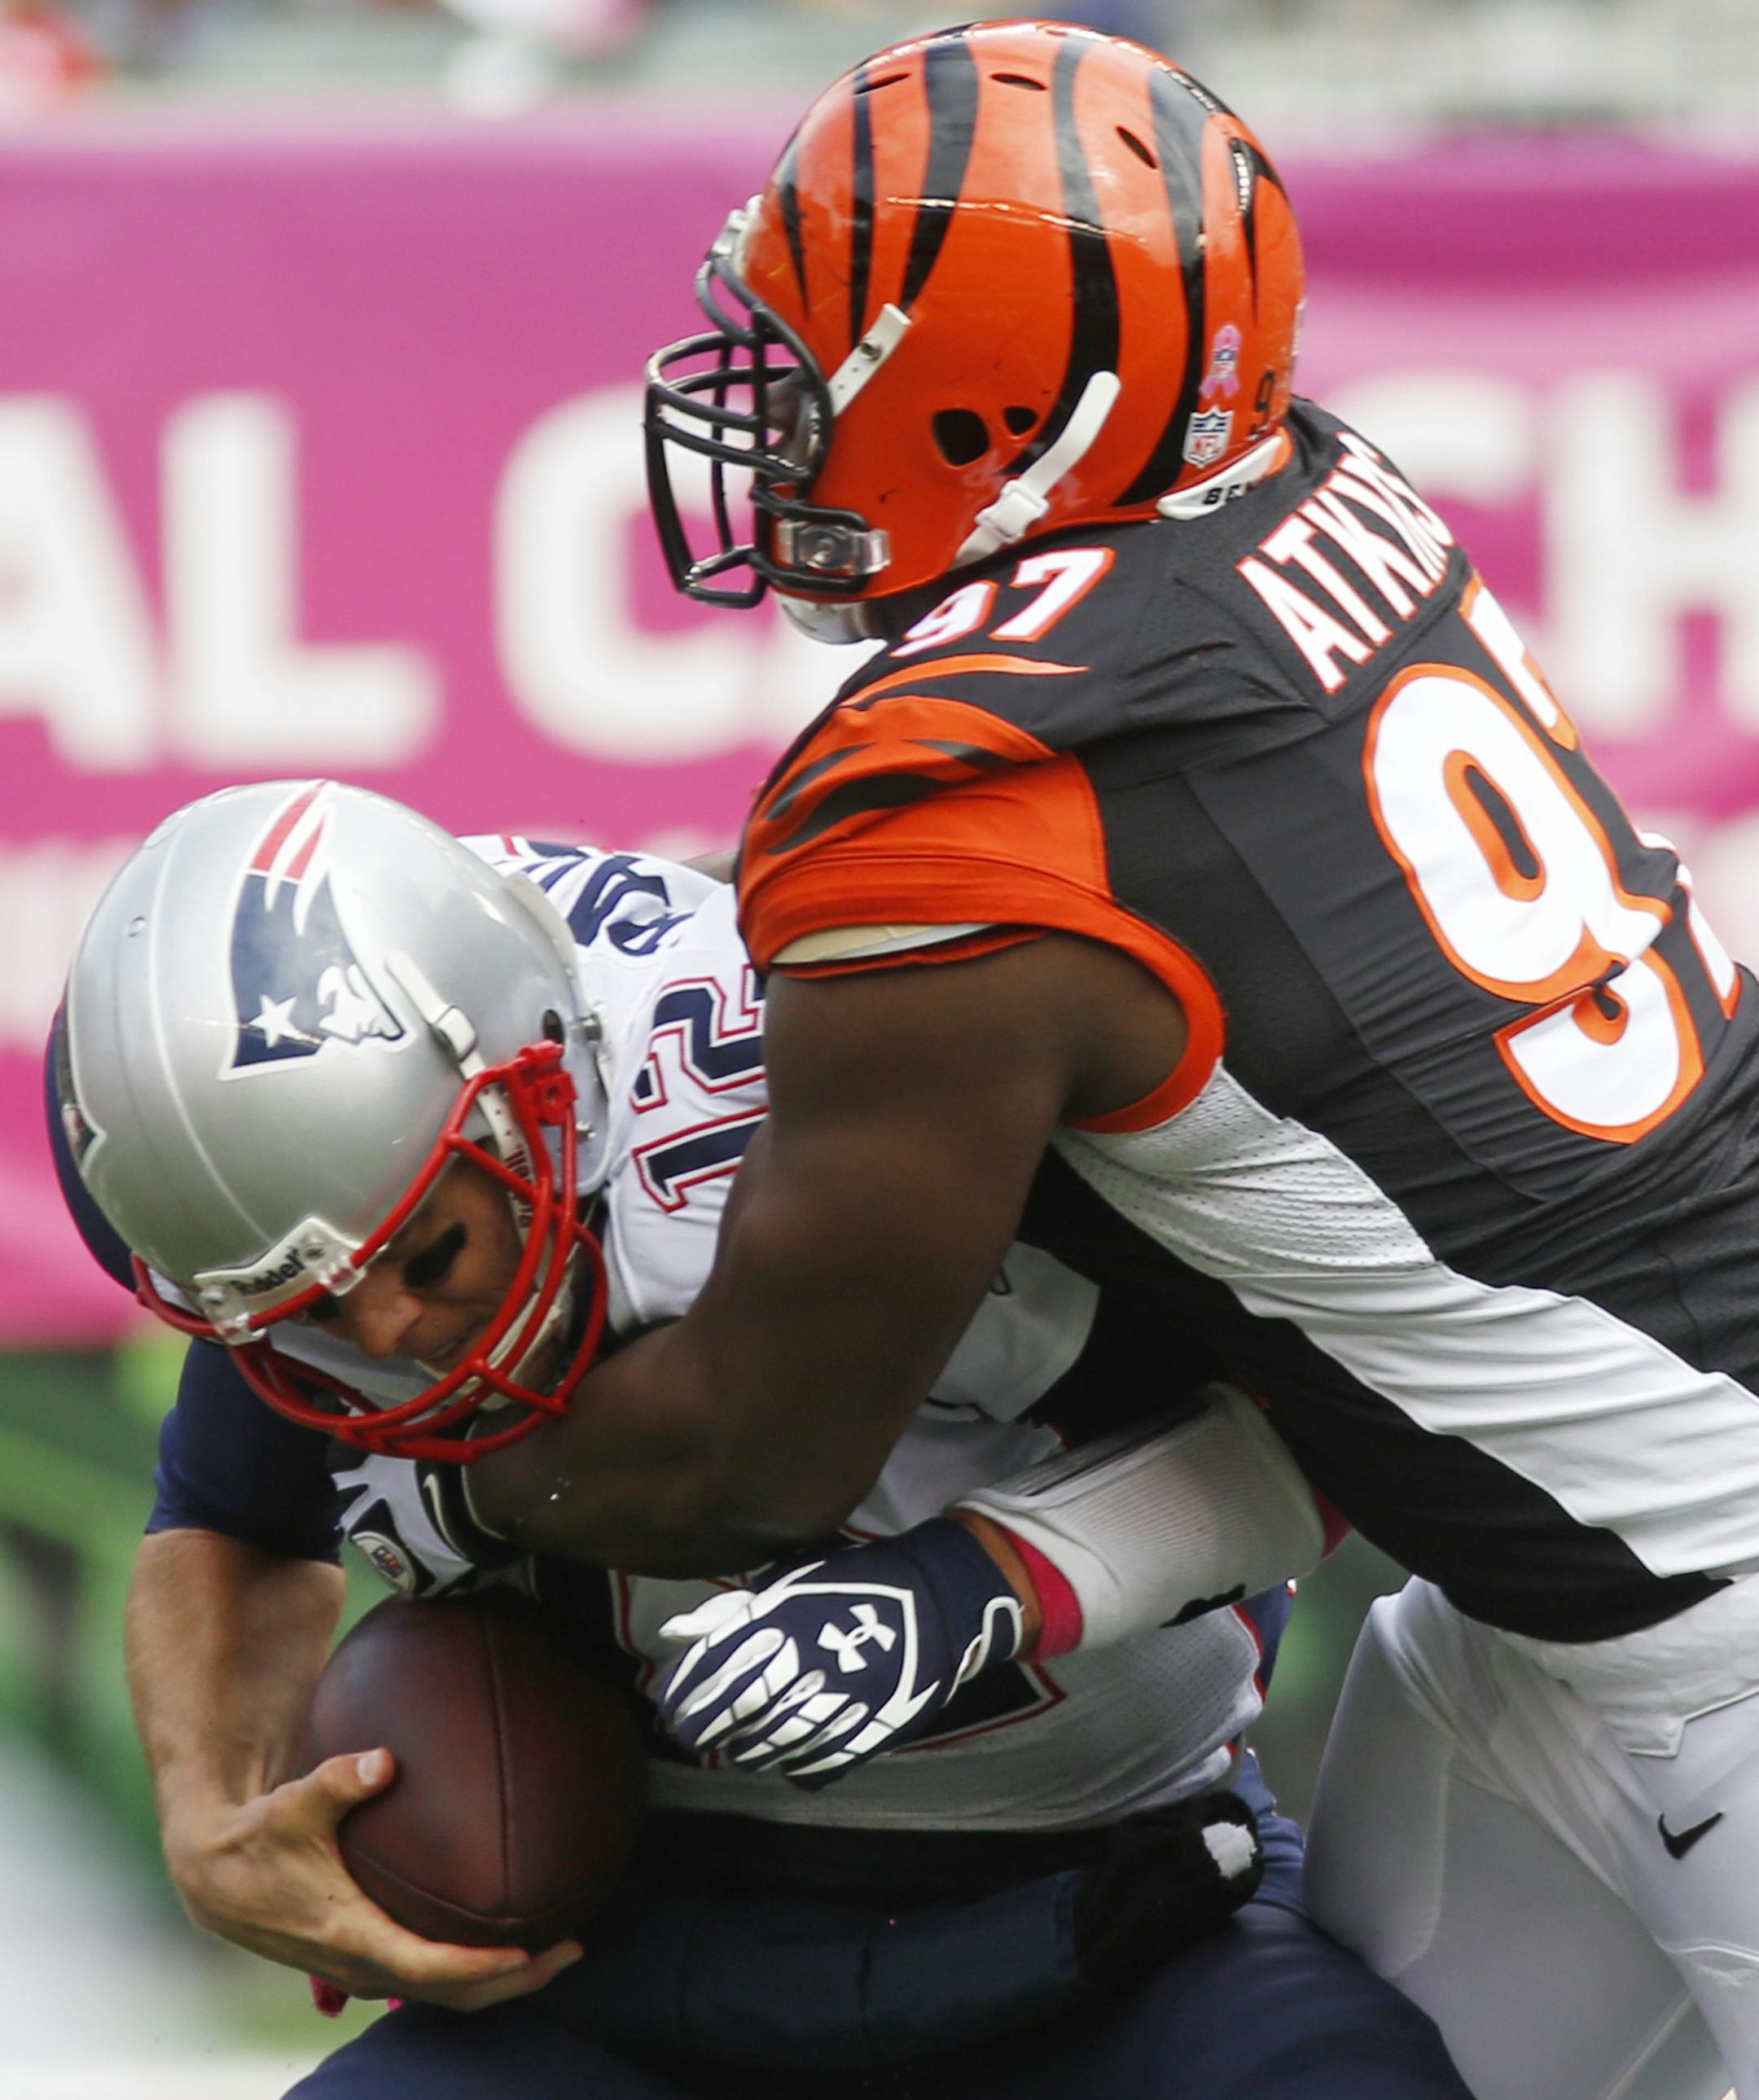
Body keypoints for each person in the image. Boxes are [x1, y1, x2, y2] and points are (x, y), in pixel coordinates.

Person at [348, 19, 1752, 2100]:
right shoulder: (1309, 482)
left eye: (812, 366)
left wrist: (430, 1484)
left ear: (993, 406)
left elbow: (754, 1458)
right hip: (1533, 1616)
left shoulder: (950, 795)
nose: (767, 418)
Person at [50, 778, 1477, 2099]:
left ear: (536, 1093)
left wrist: (968, 1588)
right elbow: (234, 1518)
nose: (387, 1335)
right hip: (618, 1959)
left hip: (1104, 1913)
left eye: (430, 1252)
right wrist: (212, 1822)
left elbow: (1317, 1445)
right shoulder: (318, 1197)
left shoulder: (820, 1106)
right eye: (305, 1309)